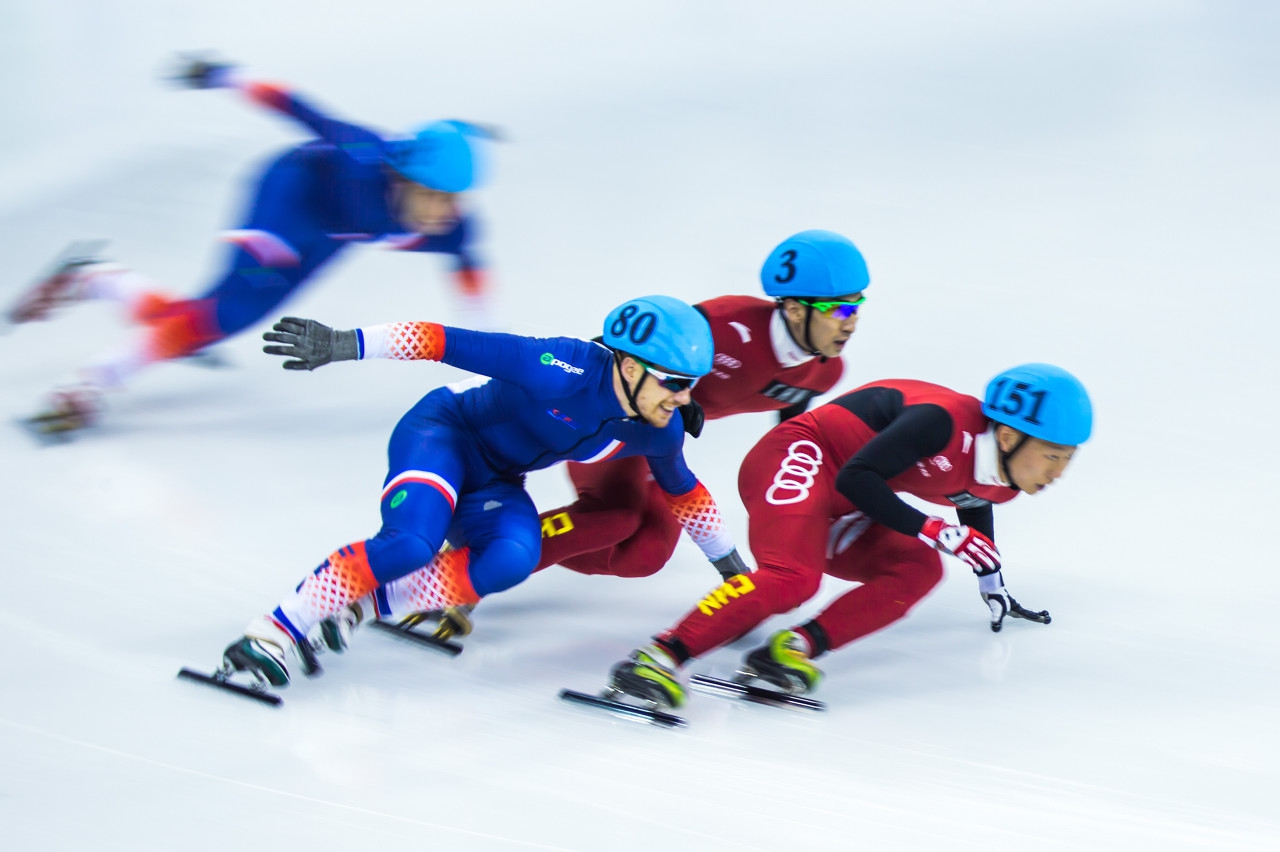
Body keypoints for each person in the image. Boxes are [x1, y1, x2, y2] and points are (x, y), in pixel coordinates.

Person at [350, 229, 870, 645]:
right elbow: (623, 350)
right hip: (614, 429)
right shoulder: (729, 322)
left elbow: (793, 436)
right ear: (798, 307)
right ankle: (465, 578)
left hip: (661, 447)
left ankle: (488, 551)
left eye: (858, 306)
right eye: (842, 309)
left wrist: (788, 519)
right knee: (615, 516)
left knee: (642, 555)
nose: (852, 322)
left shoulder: (823, 373)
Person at [221, 295, 752, 688]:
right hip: (443, 434)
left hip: (498, 479)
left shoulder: (659, 426)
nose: (685, 399)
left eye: (692, 386)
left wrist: (733, 571)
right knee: (411, 544)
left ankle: (361, 605)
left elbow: (685, 491)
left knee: (512, 559)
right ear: (632, 368)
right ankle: (271, 632)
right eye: (676, 383)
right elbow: (444, 341)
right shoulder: (559, 368)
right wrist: (345, 344)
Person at [5, 56, 492, 434]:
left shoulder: (449, 225)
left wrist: (486, 346)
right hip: (286, 198)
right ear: (400, 176)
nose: (439, 214)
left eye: (452, 200)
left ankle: (94, 277)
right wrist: (222, 75)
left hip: (330, 234)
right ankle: (85, 386)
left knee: (204, 321)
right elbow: (298, 107)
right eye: (431, 195)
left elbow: (469, 263)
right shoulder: (360, 155)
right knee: (219, 316)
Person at [598, 362, 1093, 708]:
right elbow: (857, 476)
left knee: (918, 568)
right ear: (1007, 436)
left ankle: (789, 651)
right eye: (1053, 456)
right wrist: (933, 528)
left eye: (1068, 460)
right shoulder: (940, 423)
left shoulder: (1005, 479)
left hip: (846, 497)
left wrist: (992, 580)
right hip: (802, 455)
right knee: (794, 578)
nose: (1059, 473)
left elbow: (972, 500)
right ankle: (658, 657)